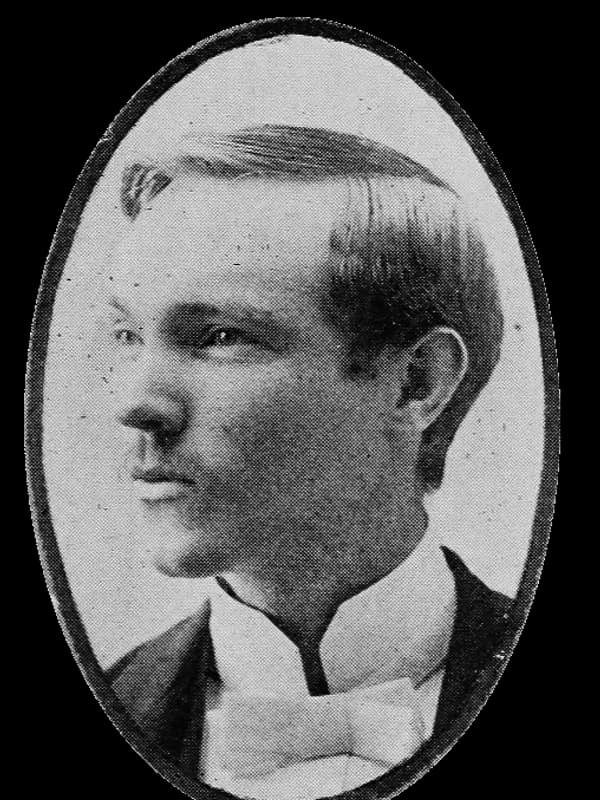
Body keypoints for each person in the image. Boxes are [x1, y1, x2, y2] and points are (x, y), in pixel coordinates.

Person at [105, 125, 512, 798]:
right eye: (127, 334)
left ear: (417, 383)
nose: (134, 404)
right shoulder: (118, 697)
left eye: (220, 336)